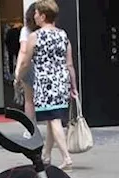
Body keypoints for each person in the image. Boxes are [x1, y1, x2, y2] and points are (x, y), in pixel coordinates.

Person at [16, 0, 78, 169]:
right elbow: (69, 64)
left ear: (43, 16)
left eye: (36, 13)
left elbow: (26, 62)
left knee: (54, 120)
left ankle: (66, 157)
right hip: (61, 81)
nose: (34, 16)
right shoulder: (63, 35)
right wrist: (73, 86)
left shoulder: (35, 37)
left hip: (45, 83)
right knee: (53, 118)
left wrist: (18, 78)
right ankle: (47, 155)